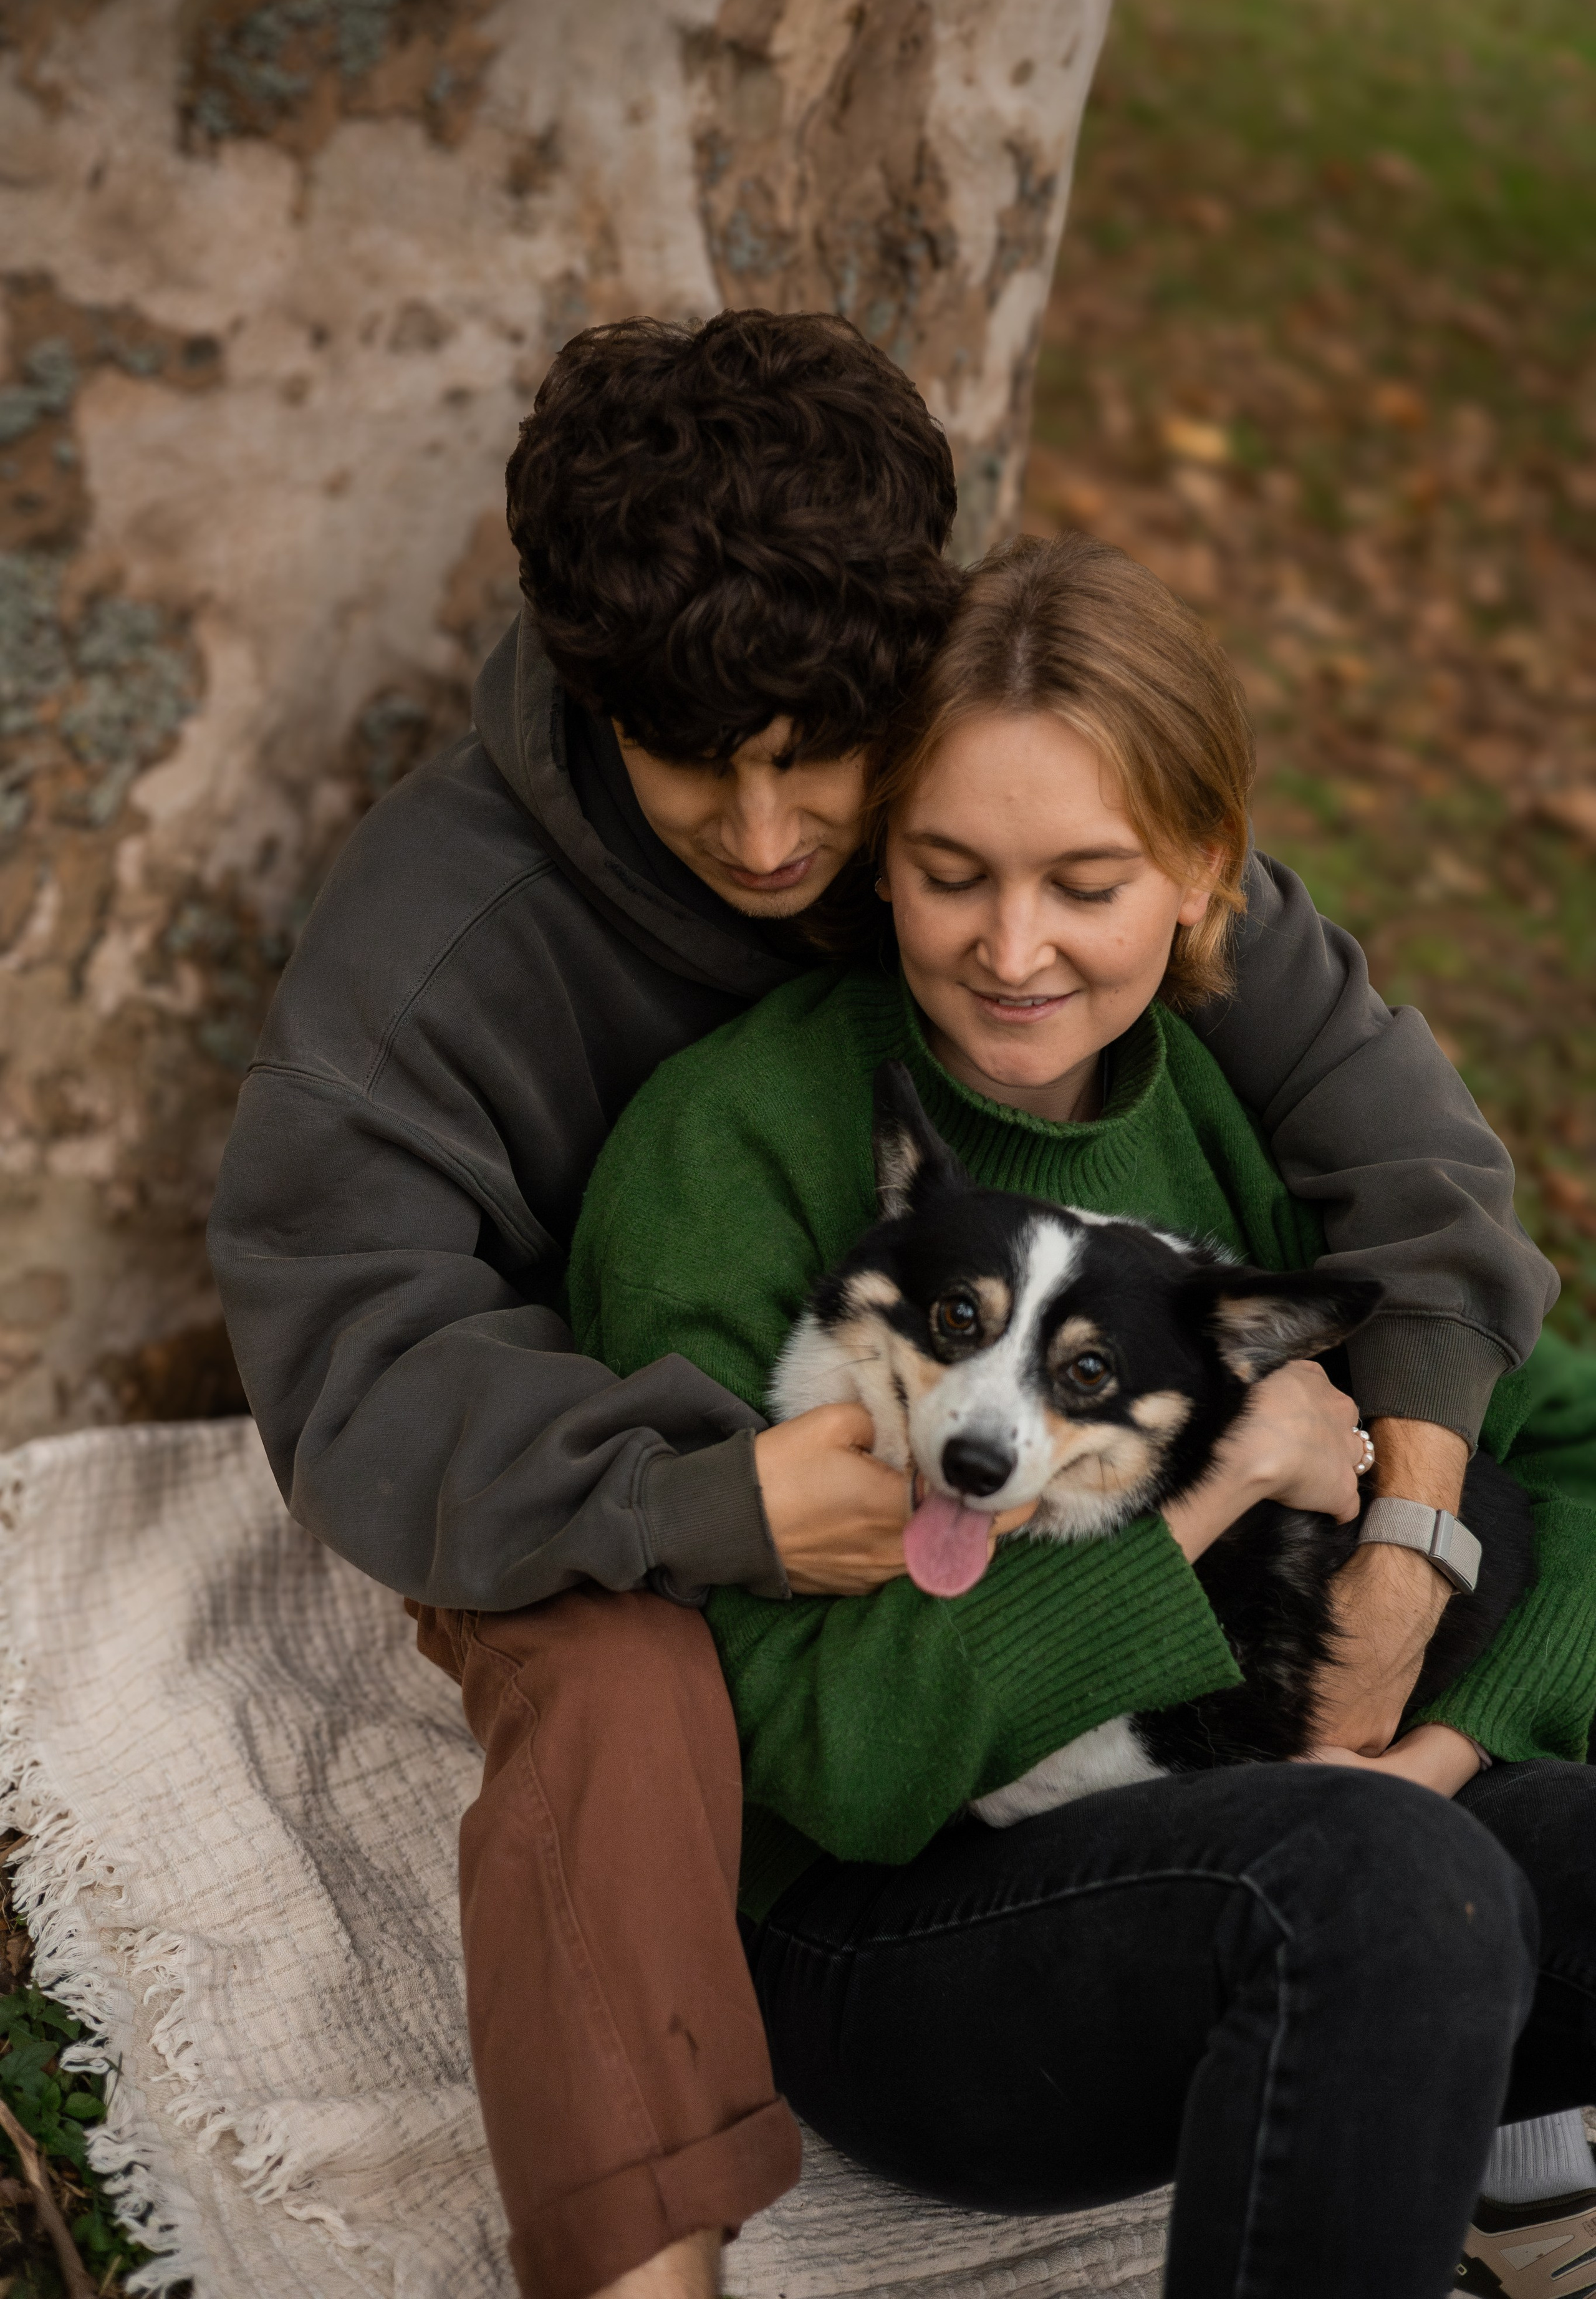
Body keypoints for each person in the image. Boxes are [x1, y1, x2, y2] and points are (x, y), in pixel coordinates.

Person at [208, 313, 1560, 2299]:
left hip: (959, 1416)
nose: (767, 840)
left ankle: (1517, 2142)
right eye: (693, 765)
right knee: (623, 1681)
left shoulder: (998, 788)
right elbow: (352, 1373)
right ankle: (640, 2266)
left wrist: (1410, 1526)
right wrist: (707, 1501)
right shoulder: (441, 948)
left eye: (817, 766)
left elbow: (1414, 1160)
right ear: (595, 694)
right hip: (572, 1450)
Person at [567, 532, 1596, 2299]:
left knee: (1418, 1850)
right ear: (876, 855)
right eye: (951, 872)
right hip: (901, 1941)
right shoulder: (728, 1147)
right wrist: (1208, 1532)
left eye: (1088, 883)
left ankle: (1499, 2160)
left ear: (1206, 879)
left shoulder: (1237, 1110)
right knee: (1372, 1883)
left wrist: (1448, 1725)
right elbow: (833, 1767)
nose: (1015, 950)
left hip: (1283, 1801)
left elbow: (1563, 1434)